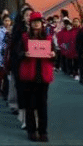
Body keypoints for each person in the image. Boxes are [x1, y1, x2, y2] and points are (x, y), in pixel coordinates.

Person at [17, 11, 55, 142]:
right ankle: (31, 131)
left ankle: (43, 131)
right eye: (34, 22)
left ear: (42, 23)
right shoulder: (24, 37)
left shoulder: (48, 38)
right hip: (29, 75)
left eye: (38, 22)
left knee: (42, 106)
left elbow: (55, 56)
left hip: (43, 75)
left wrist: (53, 55)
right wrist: (24, 54)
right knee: (30, 106)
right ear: (30, 24)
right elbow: (17, 53)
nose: (37, 24)